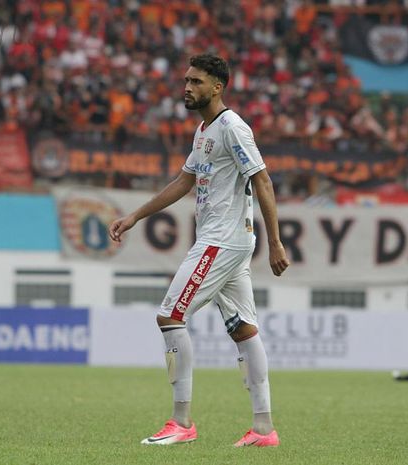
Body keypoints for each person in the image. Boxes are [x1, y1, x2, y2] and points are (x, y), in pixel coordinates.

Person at [108, 54, 290, 447]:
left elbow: (263, 181)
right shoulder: (204, 130)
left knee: (170, 315)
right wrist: (135, 216)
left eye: (195, 81)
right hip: (226, 239)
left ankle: (181, 421)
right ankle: (263, 429)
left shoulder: (233, 128)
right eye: (186, 80)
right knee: (244, 328)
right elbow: (183, 181)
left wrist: (276, 241)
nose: (186, 87)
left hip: (222, 239)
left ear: (217, 86)